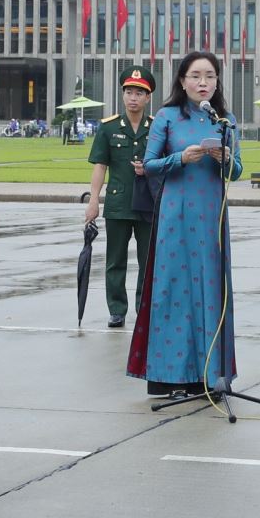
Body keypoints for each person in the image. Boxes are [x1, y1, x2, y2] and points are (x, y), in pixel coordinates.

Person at [126, 51, 244, 395]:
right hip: (175, 217)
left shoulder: (225, 120)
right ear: (182, 81)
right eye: (195, 76)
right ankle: (169, 375)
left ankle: (208, 375)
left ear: (217, 81)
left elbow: (237, 171)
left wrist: (225, 158)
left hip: (211, 219)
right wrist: (181, 157)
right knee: (173, 290)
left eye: (209, 76)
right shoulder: (167, 116)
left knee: (210, 291)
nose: (203, 82)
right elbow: (148, 164)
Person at [84, 65, 157, 328]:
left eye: (139, 92)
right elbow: (100, 166)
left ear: (148, 98)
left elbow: (167, 163)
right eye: (129, 92)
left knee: (148, 261)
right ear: (123, 95)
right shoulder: (108, 127)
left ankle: (144, 309)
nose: (133, 97)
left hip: (148, 204)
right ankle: (117, 309)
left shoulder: (157, 127)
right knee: (115, 260)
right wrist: (94, 200)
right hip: (118, 203)